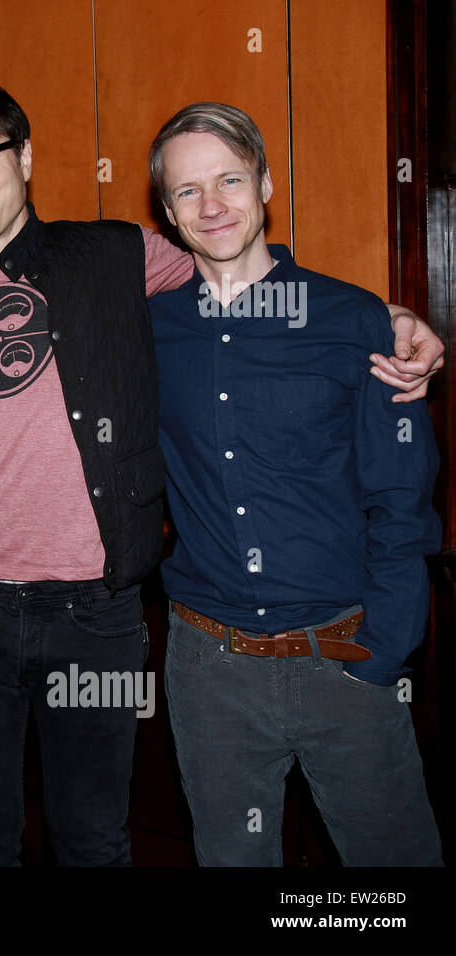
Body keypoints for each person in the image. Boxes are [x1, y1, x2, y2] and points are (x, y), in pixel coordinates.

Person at [0, 80, 444, 867]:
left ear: (24, 157)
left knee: (100, 839)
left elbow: (398, 492)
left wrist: (392, 321)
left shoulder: (124, 261)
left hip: (137, 621)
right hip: (14, 629)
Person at [148, 102, 443, 865]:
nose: (212, 206)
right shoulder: (146, 330)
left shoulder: (351, 319)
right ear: (168, 212)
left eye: (230, 180)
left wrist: (386, 653)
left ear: (266, 185)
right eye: (187, 191)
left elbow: (402, 500)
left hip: (346, 657)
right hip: (209, 669)